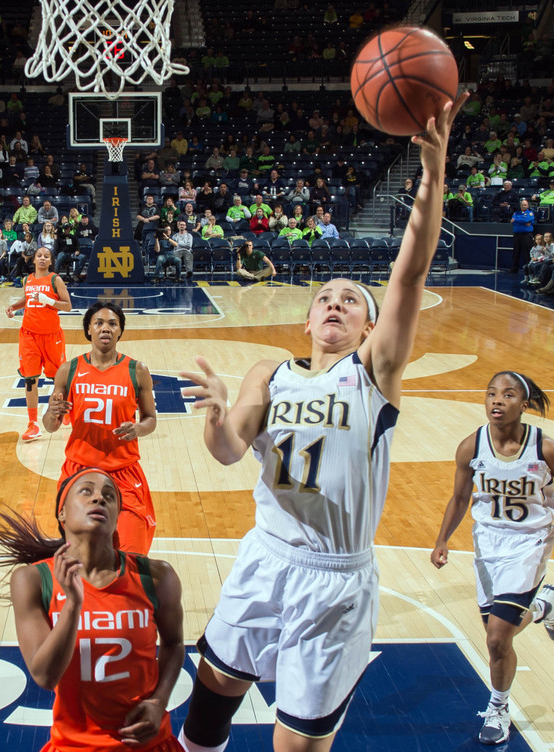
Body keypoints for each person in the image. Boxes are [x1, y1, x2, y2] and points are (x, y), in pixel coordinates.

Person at [175, 91, 469, 752]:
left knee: (298, 743)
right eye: (325, 299)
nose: (336, 303)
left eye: (351, 301)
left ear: (369, 327)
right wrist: (215, 417)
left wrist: (432, 176)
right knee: (210, 701)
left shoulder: (372, 374)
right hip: (266, 554)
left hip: (336, 577)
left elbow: (409, 274)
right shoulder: (269, 373)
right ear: (307, 321)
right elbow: (228, 451)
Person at [431, 371, 554, 745]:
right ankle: (543, 606)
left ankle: (498, 708)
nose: (497, 400)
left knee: (497, 639)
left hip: (530, 543)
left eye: (508, 394)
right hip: (487, 544)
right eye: (491, 394)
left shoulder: (546, 449)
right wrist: (441, 539)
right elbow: (460, 497)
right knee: (497, 634)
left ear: (524, 404)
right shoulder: (471, 447)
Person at [0, 469, 184, 752]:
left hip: (149, 745)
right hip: (74, 745)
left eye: (109, 496)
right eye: (86, 491)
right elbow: (45, 676)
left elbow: (174, 644)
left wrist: (159, 701)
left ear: (117, 516)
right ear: (62, 512)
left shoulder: (156, 576)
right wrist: (73, 605)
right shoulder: (32, 580)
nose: (99, 499)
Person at [42, 303, 159, 554]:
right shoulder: (69, 370)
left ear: (120, 331)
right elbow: (51, 426)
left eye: (112, 324)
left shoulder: (137, 371)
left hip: (123, 473)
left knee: (132, 555)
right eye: (99, 323)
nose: (105, 328)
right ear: (88, 329)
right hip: (79, 472)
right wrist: (51, 413)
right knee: (82, 557)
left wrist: (138, 428)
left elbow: (150, 418)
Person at [5, 247, 73, 442]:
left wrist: (48, 300)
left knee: (58, 379)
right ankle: (33, 424)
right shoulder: (27, 280)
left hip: (52, 337)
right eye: (39, 256)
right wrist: (14, 307)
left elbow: (68, 306)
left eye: (46, 256)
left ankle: (66, 410)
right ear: (34, 259)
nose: (42, 258)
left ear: (51, 261)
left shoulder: (55, 280)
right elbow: (28, 299)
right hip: (29, 335)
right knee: (30, 378)